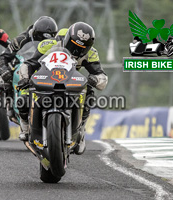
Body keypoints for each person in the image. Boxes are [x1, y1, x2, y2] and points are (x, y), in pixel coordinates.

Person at [17, 22, 108, 155]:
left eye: (82, 48)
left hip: (70, 79)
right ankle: (25, 127)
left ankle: (81, 128)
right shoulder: (48, 45)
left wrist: (95, 79)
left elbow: (101, 75)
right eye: (73, 46)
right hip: (48, 76)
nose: (76, 51)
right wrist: (25, 78)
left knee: (89, 94)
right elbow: (29, 64)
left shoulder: (91, 53)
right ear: (67, 39)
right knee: (23, 99)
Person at [0, 16, 58, 120]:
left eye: (47, 41)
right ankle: (10, 106)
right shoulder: (21, 40)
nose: (43, 43)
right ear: (34, 35)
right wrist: (4, 71)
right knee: (6, 77)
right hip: (23, 65)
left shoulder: (57, 42)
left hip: (44, 67)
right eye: (40, 40)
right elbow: (2, 58)